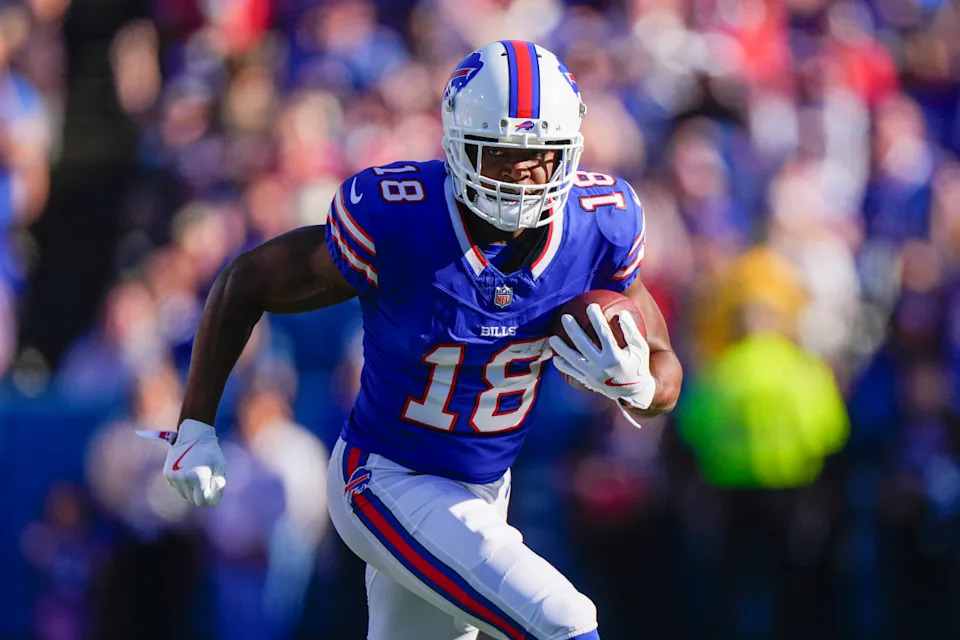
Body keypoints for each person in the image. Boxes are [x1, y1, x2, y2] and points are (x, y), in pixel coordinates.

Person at [157, 41, 682, 640]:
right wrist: (195, 425)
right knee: (564, 621)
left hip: (484, 490)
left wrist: (640, 383)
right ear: (459, 146)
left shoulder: (598, 226)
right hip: (384, 477)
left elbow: (665, 365)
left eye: (540, 154)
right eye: (501, 153)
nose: (522, 172)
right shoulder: (402, 221)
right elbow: (248, 278)